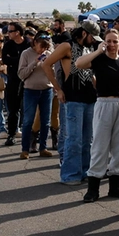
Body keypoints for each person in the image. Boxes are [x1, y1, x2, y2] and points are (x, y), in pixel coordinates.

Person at [43, 20, 99, 186]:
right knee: (74, 138)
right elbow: (46, 64)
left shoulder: (89, 48)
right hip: (73, 97)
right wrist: (58, 89)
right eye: (92, 36)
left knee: (88, 138)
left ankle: (84, 171)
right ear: (84, 33)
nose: (94, 40)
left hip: (90, 97)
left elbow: (90, 74)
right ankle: (70, 175)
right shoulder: (67, 46)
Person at [75, 29, 119, 201]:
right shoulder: (99, 60)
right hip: (104, 103)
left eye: (115, 41)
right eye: (108, 41)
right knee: (99, 146)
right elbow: (78, 64)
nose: (112, 45)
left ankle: (115, 187)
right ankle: (93, 189)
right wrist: (98, 50)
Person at [17, 34, 56, 160]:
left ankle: (43, 147)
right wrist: (35, 62)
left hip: (47, 90)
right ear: (35, 43)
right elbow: (21, 74)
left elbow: (53, 73)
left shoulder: (49, 54)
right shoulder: (26, 54)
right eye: (41, 47)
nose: (42, 50)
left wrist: (49, 66)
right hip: (30, 90)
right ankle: (25, 149)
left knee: (46, 121)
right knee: (28, 120)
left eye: (45, 47)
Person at [0, 22, 27, 145]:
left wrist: (15, 60)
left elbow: (31, 59)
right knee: (13, 109)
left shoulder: (28, 43)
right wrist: (20, 59)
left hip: (27, 80)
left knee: (28, 109)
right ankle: (11, 134)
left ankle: (30, 134)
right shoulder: (8, 45)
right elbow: (5, 60)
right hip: (13, 80)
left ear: (17, 32)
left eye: (10, 31)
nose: (8, 33)